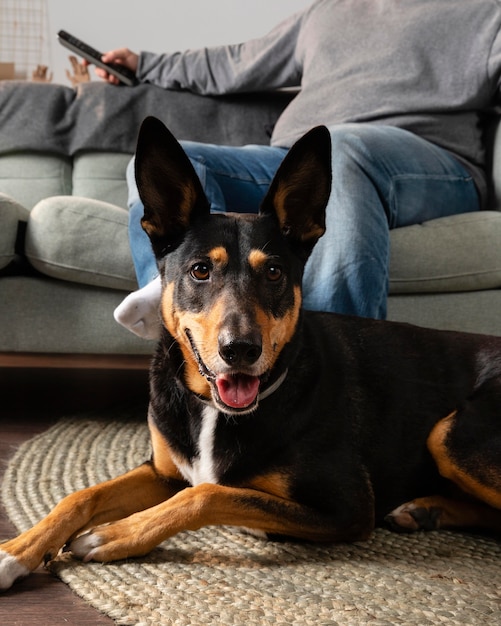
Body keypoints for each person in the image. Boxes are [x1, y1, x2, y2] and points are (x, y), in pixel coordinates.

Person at [90, 0, 501, 341]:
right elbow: (236, 62)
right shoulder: (328, 12)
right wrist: (144, 64)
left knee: (342, 147)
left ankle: (343, 363)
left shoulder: (486, 13)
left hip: (426, 162)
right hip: (300, 163)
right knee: (181, 158)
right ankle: (171, 292)